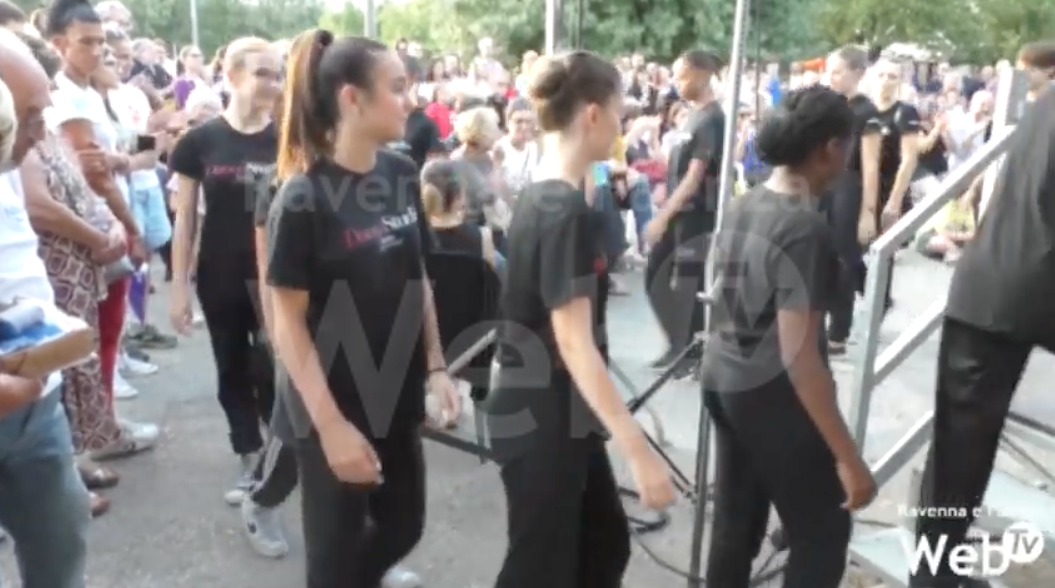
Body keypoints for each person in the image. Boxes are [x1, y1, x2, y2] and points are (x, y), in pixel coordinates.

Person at [265, 29, 461, 588]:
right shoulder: (302, 199)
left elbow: (417, 274)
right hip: (331, 402)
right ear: (352, 98)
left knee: (403, 526)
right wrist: (330, 429)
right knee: (335, 559)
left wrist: (437, 365)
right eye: (396, 87)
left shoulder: (400, 173)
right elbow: (287, 323)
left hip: (395, 391)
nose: (410, 100)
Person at [486, 50, 674, 588]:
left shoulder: (553, 194)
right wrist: (638, 450)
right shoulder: (559, 208)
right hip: (541, 411)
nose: (621, 126)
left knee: (604, 546)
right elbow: (573, 343)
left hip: (561, 408)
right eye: (617, 112)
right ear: (592, 114)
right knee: (539, 568)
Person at [702, 85, 877, 588]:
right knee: (822, 532)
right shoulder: (804, 229)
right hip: (770, 395)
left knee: (735, 526)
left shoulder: (746, 203)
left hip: (724, 377)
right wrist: (849, 459)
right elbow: (801, 360)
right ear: (831, 148)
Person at [909, 51, 1055, 588]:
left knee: (956, 456)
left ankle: (935, 572)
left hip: (988, 285)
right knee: (959, 455)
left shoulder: (1048, 100)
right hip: (1025, 288)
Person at [168, 36, 280, 502]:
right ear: (231, 76)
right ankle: (248, 452)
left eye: (278, 75)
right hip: (222, 273)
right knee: (231, 362)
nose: (273, 84)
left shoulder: (289, 138)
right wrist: (179, 287)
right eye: (262, 73)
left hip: (279, 276)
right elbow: (185, 218)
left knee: (276, 363)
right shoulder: (199, 141)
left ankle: (281, 448)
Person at [0, 26, 92, 587]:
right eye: (29, 116)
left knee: (60, 546)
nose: (40, 133)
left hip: (37, 405)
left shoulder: (10, 164)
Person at [643, 49, 725, 376]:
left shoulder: (712, 119)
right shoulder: (692, 115)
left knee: (688, 282)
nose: (677, 83)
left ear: (701, 74)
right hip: (678, 207)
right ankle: (680, 343)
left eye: (682, 76)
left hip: (696, 211)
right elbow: (678, 167)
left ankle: (688, 350)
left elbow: (694, 177)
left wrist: (662, 217)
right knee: (656, 274)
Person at [821, 45, 882, 355]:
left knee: (844, 259)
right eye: (829, 71)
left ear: (857, 73)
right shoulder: (829, 106)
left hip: (849, 186)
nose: (830, 77)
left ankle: (839, 332)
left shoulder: (866, 112)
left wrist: (868, 212)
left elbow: (871, 165)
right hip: (824, 184)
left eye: (837, 72)